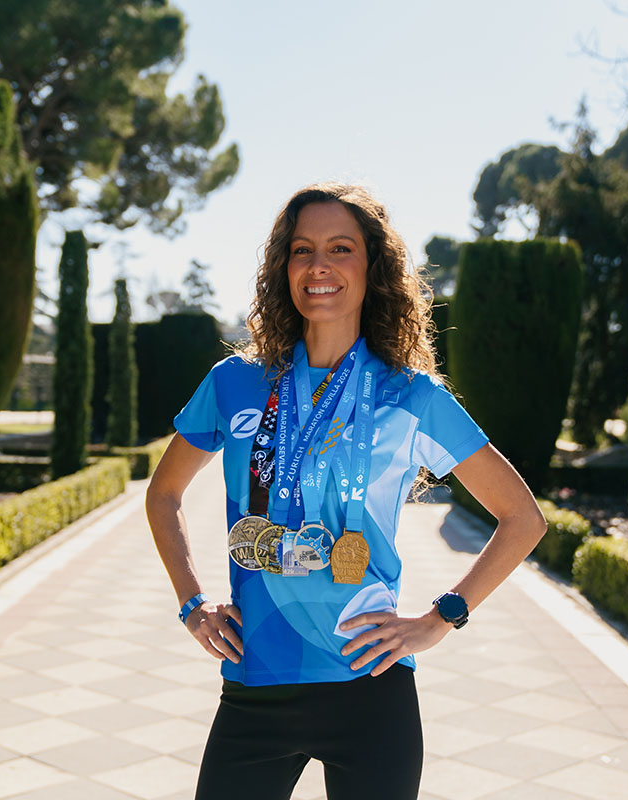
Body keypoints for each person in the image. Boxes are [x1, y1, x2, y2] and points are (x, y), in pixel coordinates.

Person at [145, 182, 548, 800]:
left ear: (372, 267)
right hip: (257, 684)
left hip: (370, 689)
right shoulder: (235, 383)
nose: (319, 266)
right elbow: (164, 493)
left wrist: (441, 619)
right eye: (302, 249)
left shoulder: (412, 397)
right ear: (284, 267)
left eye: (341, 248)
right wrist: (191, 603)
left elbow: (523, 518)